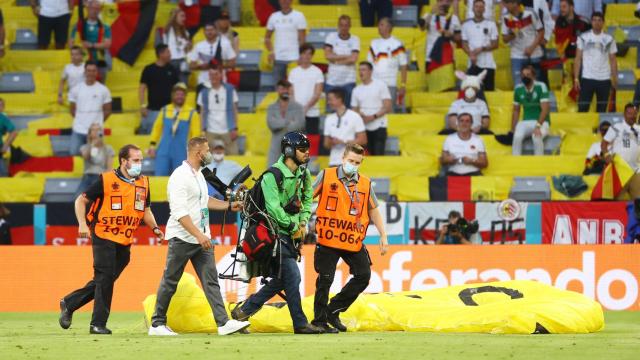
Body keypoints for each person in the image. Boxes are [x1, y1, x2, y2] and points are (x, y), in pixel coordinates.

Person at [148, 137, 250, 336]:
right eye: (207, 150)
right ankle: (157, 324)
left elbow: (205, 200)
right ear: (198, 153)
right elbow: (179, 213)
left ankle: (223, 323)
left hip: (201, 237)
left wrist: (229, 206)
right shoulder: (180, 177)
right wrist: (199, 235)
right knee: (170, 280)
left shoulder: (199, 174)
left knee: (211, 281)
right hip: (183, 238)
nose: (210, 153)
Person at [59, 144, 164, 335]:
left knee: (103, 280)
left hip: (124, 239)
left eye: (141, 160)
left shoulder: (144, 183)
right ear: (124, 161)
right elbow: (80, 201)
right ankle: (97, 324)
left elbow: (146, 209)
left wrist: (155, 228)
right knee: (105, 277)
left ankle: (70, 302)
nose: (139, 164)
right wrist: (82, 224)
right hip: (103, 234)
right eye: (135, 160)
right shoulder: (106, 180)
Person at [230, 132, 323, 335]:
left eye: (308, 149)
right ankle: (300, 324)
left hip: (291, 234)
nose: (307, 153)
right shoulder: (272, 176)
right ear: (289, 151)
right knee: (293, 276)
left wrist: (304, 221)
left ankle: (244, 311)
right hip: (274, 234)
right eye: (302, 150)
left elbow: (307, 200)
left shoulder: (304, 174)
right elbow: (273, 209)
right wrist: (293, 226)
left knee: (284, 279)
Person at [311, 142, 388, 333]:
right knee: (325, 280)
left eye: (357, 162)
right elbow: (307, 198)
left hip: (351, 238)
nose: (353, 164)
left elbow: (373, 209)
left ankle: (333, 310)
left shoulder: (365, 183)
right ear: (343, 158)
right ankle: (319, 321)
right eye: (351, 160)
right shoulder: (326, 175)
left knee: (363, 275)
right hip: (328, 238)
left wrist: (383, 234)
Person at [148, 83, 201, 176]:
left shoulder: (192, 113)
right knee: (160, 176)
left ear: (185, 96)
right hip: (163, 151)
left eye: (182, 94)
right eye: (177, 94)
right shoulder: (165, 110)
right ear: (173, 95)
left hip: (182, 152)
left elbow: (196, 134)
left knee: (180, 180)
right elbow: (156, 129)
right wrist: (152, 145)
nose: (179, 96)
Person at [574, 12, 617, 113]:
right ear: (591, 22)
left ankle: (599, 129)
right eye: (594, 20)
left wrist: (614, 78)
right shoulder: (583, 37)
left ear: (603, 22)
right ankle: (584, 129)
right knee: (582, 109)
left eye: (599, 20)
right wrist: (576, 78)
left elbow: (613, 60)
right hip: (587, 78)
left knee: (601, 111)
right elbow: (577, 58)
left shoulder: (609, 39)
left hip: (604, 79)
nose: (597, 22)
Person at [69, 61, 112, 156]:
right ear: (85, 72)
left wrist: (97, 123)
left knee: (95, 157)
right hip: (78, 130)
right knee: (73, 153)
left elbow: (108, 110)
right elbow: (72, 109)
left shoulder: (103, 90)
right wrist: (80, 120)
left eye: (93, 71)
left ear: (97, 72)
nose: (91, 73)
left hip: (96, 132)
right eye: (89, 70)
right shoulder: (76, 89)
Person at [197, 62, 240, 155]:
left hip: (228, 130)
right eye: (211, 74)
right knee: (207, 160)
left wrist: (235, 128)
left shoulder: (230, 90)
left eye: (216, 74)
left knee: (234, 156)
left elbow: (235, 110)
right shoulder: (203, 92)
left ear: (221, 75)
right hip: (210, 131)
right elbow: (202, 113)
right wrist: (202, 130)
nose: (213, 77)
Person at [351, 62, 392, 156]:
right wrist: (360, 115)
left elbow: (388, 106)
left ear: (370, 71)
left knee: (378, 155)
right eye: (359, 70)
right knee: (366, 157)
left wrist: (373, 117)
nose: (361, 72)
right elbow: (354, 109)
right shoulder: (356, 90)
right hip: (363, 127)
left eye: (363, 70)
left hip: (380, 125)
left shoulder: (381, 85)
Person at [502, 0, 544, 87]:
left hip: (534, 54)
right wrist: (512, 34)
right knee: (518, 86)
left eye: (506, 3)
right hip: (517, 56)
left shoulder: (530, 12)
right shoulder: (505, 17)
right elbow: (504, 39)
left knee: (537, 86)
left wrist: (532, 48)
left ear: (514, 3)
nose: (504, 5)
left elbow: (541, 32)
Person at [601, 104, 640, 200]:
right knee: (619, 200)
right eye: (630, 113)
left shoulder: (639, 129)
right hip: (620, 170)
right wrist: (606, 155)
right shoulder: (616, 127)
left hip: (636, 170)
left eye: (635, 114)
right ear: (624, 114)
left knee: (638, 201)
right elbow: (604, 143)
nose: (632, 116)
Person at [368, 18, 408, 111]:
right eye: (379, 25)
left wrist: (403, 85)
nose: (379, 27)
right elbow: (369, 64)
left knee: (389, 113)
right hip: (374, 84)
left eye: (381, 25)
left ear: (389, 27)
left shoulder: (397, 44)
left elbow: (404, 65)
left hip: (390, 84)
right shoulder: (373, 43)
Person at [139, 44, 180, 135]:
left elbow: (177, 89)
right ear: (161, 54)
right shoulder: (148, 69)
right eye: (168, 52)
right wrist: (143, 106)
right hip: (153, 110)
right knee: (151, 137)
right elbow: (142, 88)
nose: (170, 54)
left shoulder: (172, 69)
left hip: (170, 110)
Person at [423, 0, 462, 92]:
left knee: (448, 87)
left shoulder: (454, 18)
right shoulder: (429, 16)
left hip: (448, 58)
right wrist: (431, 12)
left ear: (450, 4)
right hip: (431, 57)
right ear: (437, 2)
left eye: (447, 1)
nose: (443, 3)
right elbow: (422, 27)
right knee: (433, 87)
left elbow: (459, 38)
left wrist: (451, 35)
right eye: (441, 1)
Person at [265, 0, 307, 83]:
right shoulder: (273, 16)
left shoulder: (299, 15)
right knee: (279, 87)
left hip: (294, 58)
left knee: (295, 85)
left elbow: (302, 39)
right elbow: (267, 38)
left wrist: (301, 56)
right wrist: (271, 51)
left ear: (291, 1)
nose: (284, 1)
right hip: (278, 58)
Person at [69, 0, 112, 82]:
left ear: (100, 10)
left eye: (97, 9)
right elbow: (71, 43)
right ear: (88, 9)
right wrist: (81, 47)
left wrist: (92, 45)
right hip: (83, 60)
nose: (94, 11)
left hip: (99, 60)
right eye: (92, 8)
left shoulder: (105, 27)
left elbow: (107, 44)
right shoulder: (79, 25)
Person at [324, 15, 360, 114]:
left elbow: (353, 59)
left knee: (348, 112)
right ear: (338, 26)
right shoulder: (331, 37)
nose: (344, 27)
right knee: (331, 113)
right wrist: (346, 56)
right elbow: (327, 55)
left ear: (350, 26)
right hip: (332, 82)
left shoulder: (355, 39)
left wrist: (336, 60)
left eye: (346, 25)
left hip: (349, 81)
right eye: (341, 25)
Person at [512, 65, 550, 155]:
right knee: (517, 136)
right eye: (523, 75)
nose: (525, 77)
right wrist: (513, 128)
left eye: (528, 75)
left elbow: (545, 110)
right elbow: (516, 111)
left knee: (536, 136)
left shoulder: (541, 86)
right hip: (526, 122)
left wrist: (538, 126)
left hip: (542, 122)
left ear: (533, 76)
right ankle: (515, 163)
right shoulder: (518, 89)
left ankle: (538, 163)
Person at [188, 22, 236, 95]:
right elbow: (191, 65)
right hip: (203, 81)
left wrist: (219, 65)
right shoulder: (199, 46)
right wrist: (201, 66)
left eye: (211, 30)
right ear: (204, 32)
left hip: (220, 81)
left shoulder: (225, 43)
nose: (209, 32)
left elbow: (232, 63)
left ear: (216, 31)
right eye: (207, 30)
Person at [461, 0, 499, 91]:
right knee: (472, 92)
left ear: (484, 9)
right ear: (472, 9)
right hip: (473, 64)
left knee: (489, 93)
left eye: (481, 7)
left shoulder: (491, 24)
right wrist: (471, 54)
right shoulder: (466, 25)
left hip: (488, 65)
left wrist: (482, 49)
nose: (479, 9)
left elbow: (495, 44)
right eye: (476, 6)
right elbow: (464, 43)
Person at [324, 89, 367, 167]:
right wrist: (331, 142)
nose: (328, 102)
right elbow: (326, 144)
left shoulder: (355, 116)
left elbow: (363, 140)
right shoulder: (329, 119)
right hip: (333, 162)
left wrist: (343, 142)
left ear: (339, 99)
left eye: (330, 99)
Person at [267, 80, 305, 166]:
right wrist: (288, 121)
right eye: (282, 89)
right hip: (276, 147)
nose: (285, 91)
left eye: (287, 89)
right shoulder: (271, 107)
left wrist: (280, 124)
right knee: (273, 175)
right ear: (277, 90)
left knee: (294, 175)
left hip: (294, 146)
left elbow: (299, 125)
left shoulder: (298, 107)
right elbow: (272, 124)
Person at [289, 43, 324, 136]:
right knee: (295, 142)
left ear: (312, 55)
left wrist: (306, 108)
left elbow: (317, 93)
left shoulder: (317, 72)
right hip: (296, 113)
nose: (306, 56)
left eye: (309, 53)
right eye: (304, 53)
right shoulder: (293, 72)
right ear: (300, 54)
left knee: (312, 142)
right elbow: (291, 93)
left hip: (313, 113)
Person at [553, 0, 590, 85]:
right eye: (560, 7)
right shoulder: (559, 22)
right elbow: (558, 42)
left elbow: (590, 40)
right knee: (568, 89)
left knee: (582, 87)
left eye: (564, 7)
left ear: (572, 7)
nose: (561, 9)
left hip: (582, 61)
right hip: (566, 60)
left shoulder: (583, 22)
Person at [76, 123, 114, 197]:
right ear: (90, 134)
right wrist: (92, 145)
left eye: (98, 130)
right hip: (88, 176)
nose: (96, 132)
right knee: (77, 198)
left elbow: (109, 168)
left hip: (100, 177)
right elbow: (86, 157)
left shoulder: (108, 148)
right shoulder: (84, 147)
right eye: (93, 130)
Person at [163, 8, 192, 84]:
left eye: (185, 16)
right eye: (182, 16)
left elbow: (187, 51)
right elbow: (164, 45)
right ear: (175, 17)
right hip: (171, 61)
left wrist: (188, 46)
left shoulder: (185, 32)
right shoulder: (168, 30)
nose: (184, 18)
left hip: (183, 61)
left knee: (183, 86)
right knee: (170, 86)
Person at [0, 99, 17, 177]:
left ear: (3, 108)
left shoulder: (3, 118)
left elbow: (14, 132)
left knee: (3, 174)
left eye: (1, 105)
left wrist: (5, 146)